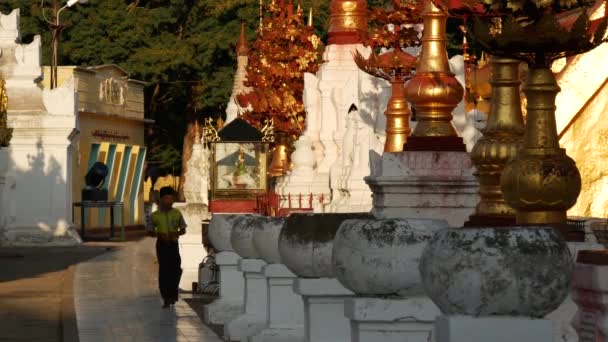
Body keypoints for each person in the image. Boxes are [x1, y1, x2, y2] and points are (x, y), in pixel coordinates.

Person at [149, 186, 186, 308]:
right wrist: (159, 234)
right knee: (164, 270)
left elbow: (183, 229)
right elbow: (150, 231)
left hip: (173, 244)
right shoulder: (155, 215)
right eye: (166, 198)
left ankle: (173, 294)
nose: (169, 201)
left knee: (176, 269)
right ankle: (166, 297)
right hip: (162, 245)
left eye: (171, 199)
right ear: (161, 200)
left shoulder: (177, 213)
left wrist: (176, 233)